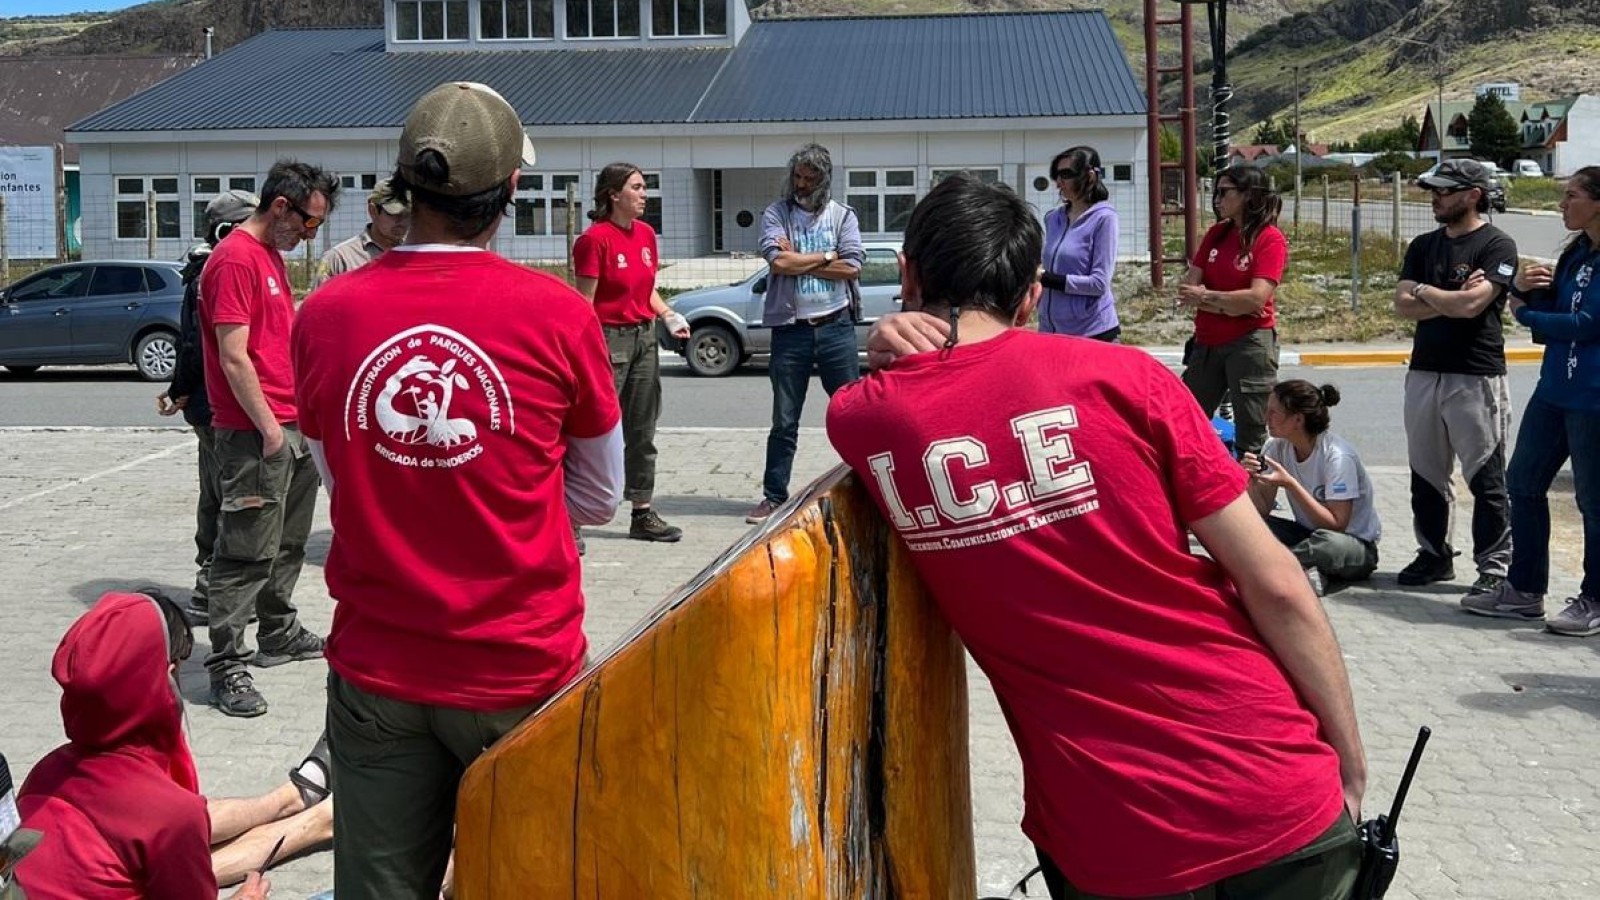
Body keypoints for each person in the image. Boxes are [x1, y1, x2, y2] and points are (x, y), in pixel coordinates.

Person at [828, 174, 1365, 900]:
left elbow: (895, 381)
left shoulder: (864, 421)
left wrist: (886, 345)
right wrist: (1350, 764)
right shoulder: (1125, 378)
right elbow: (1275, 581)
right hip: (1275, 791)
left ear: (910, 276)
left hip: (1107, 837)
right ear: (1031, 295)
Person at [290, 81, 623, 899]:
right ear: (511, 190)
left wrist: (413, 490)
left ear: (403, 186)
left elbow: (337, 472)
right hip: (521, 669)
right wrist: (499, 499)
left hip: (379, 671)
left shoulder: (325, 313)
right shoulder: (557, 315)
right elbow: (601, 495)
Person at [14, 591, 273, 900]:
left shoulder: (45, 773)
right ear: (166, 677)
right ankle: (315, 807)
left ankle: (299, 799)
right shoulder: (169, 813)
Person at [198, 159, 339, 718]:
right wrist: (269, 433)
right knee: (245, 549)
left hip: (290, 422)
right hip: (258, 432)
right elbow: (234, 356)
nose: (312, 235)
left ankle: (279, 630)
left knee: (287, 542)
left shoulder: (270, 259)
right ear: (280, 207)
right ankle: (226, 662)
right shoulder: (234, 260)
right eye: (309, 223)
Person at [1462, 165, 1600, 632]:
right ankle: (1524, 590)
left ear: (1597, 203)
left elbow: (1587, 325)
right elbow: (1558, 311)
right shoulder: (1577, 254)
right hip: (1554, 390)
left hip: (1593, 398)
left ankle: (1594, 598)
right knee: (1522, 482)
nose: (1562, 204)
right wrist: (1521, 291)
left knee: (1592, 500)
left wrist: (1524, 316)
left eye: (1573, 195)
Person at [1392, 158, 1518, 593]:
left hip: (1476, 375)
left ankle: (1494, 568)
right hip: (1425, 371)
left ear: (1472, 195)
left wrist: (1427, 293)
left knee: (1485, 476)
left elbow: (1472, 307)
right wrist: (1440, 294)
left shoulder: (1498, 245)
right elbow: (1403, 304)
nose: (1435, 199)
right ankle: (1433, 554)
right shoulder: (1423, 246)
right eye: (1434, 191)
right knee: (1426, 472)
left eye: (1444, 191)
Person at [572, 162, 691, 544]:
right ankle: (569, 519)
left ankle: (642, 512)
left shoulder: (645, 235)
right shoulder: (594, 240)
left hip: (643, 338)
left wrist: (669, 315)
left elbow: (646, 290)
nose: (644, 195)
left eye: (645, 188)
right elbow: (584, 304)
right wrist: (588, 353)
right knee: (594, 428)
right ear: (613, 194)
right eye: (637, 188)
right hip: (608, 340)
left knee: (642, 428)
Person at [156, 188, 260, 624]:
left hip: (208, 404)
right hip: (217, 406)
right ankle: (211, 590)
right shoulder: (213, 272)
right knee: (227, 497)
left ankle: (215, 585)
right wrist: (181, 388)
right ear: (227, 230)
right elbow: (196, 344)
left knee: (217, 493)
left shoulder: (204, 269)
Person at [746, 143, 865, 524]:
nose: (800, 185)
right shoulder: (776, 214)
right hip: (790, 331)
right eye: (797, 176)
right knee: (784, 419)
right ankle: (773, 496)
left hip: (836, 327)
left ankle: (866, 485)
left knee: (851, 411)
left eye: (809, 179)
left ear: (824, 181)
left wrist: (804, 262)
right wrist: (828, 256)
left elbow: (853, 268)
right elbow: (778, 261)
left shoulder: (842, 215)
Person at [1177, 164, 1287, 457]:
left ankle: (1255, 497)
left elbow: (1256, 299)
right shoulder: (1217, 233)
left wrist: (1209, 297)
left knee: (1251, 428)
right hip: (1207, 341)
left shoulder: (1269, 238)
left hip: (1249, 342)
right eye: (1216, 191)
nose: (1217, 199)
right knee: (1185, 417)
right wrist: (1226, 303)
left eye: (1225, 192)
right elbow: (1189, 289)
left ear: (1248, 195)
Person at [1241, 380, 1381, 596]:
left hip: (1352, 545)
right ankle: (1305, 570)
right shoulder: (1276, 446)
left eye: (1273, 413)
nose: (1265, 419)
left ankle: (1273, 568)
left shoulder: (1337, 456)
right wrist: (1251, 480)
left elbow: (1336, 525)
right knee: (1247, 523)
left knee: (1327, 545)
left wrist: (1291, 485)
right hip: (1307, 535)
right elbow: (1261, 511)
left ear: (1297, 419)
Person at [1038, 146, 1120, 341]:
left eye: (1066, 174)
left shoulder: (1104, 219)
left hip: (1092, 332)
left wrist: (1047, 279)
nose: (1059, 182)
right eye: (1056, 175)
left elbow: (1099, 283)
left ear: (1090, 176)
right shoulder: (1053, 218)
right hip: (1051, 332)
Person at [310, 179, 409, 289]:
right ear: (373, 211)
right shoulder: (339, 259)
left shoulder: (414, 254)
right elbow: (318, 304)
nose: (402, 221)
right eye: (394, 213)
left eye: (407, 214)